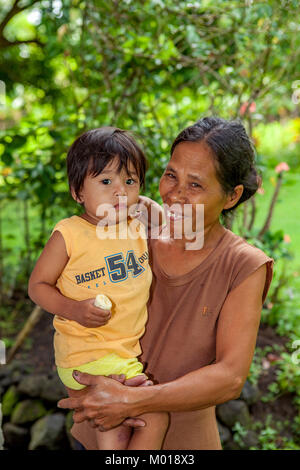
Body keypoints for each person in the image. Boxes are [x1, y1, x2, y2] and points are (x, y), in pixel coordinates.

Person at [57, 117, 274, 450]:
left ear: (232, 197)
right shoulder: (132, 229)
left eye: (196, 185)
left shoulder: (243, 265)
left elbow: (230, 377)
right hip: (102, 431)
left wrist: (132, 400)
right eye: (171, 175)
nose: (175, 194)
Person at [28, 127, 169, 450]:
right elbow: (37, 286)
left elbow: (168, 226)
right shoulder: (70, 234)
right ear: (78, 191)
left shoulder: (136, 227)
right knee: (152, 415)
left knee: (129, 426)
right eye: (106, 182)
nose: (119, 191)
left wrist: (137, 200)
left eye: (130, 181)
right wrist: (74, 309)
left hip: (121, 353)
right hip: (87, 354)